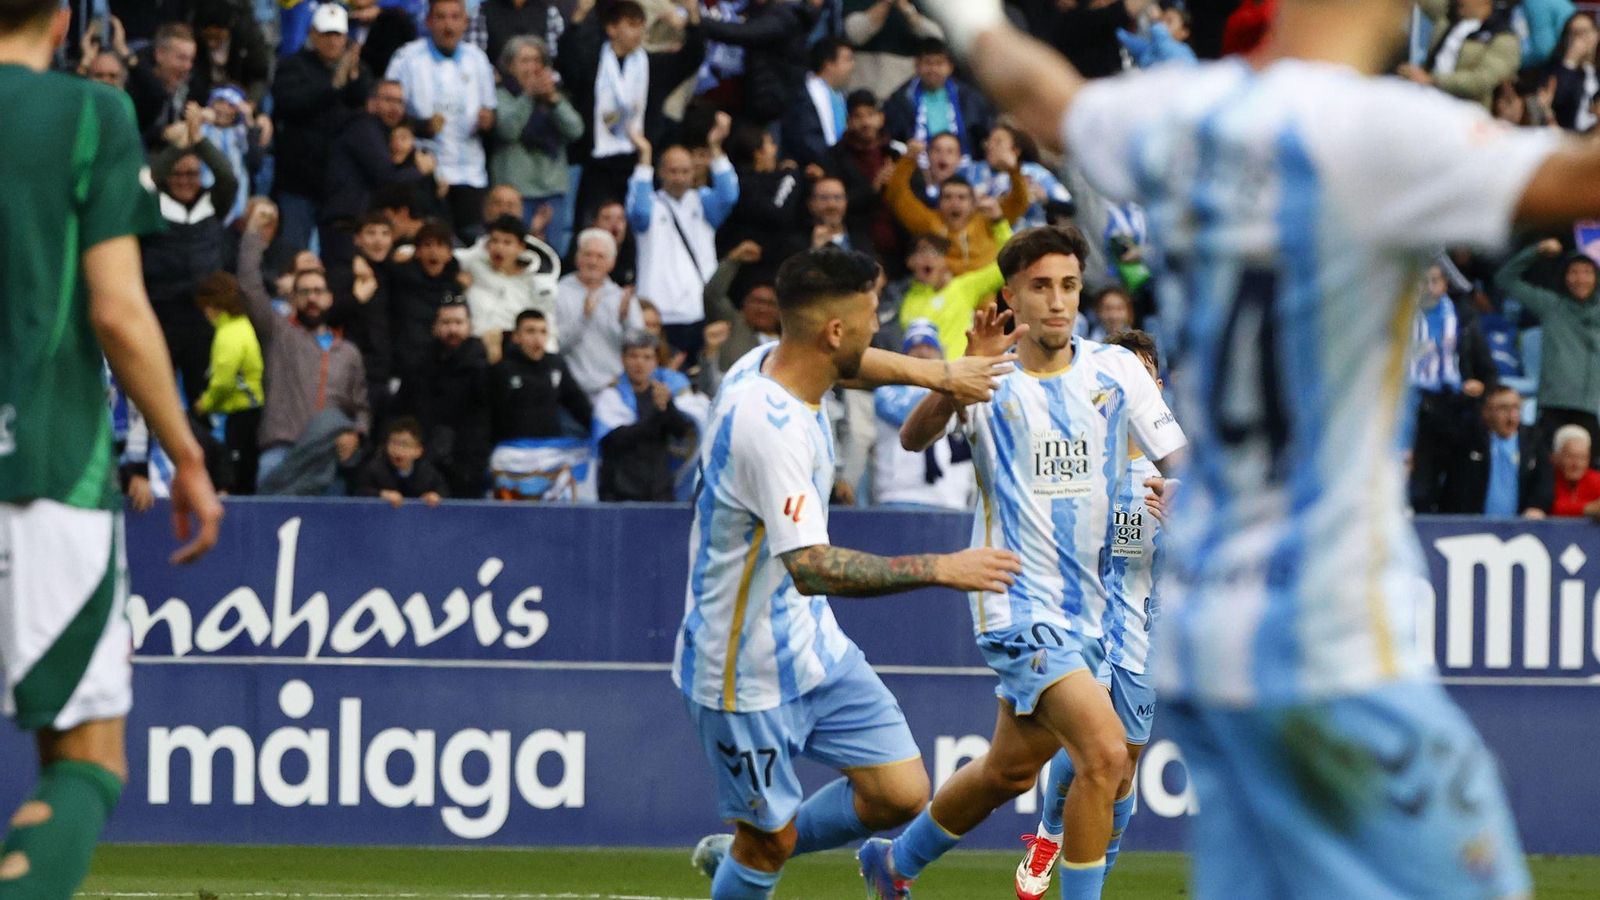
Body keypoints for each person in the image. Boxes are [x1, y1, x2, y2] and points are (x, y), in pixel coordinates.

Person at [900, 0, 1600, 894]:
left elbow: (1046, 97)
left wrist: (969, 17)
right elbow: (1581, 177)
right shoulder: (1382, 131)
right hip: (1332, 631)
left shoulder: (1179, 118)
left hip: (1207, 635)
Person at [678, 246, 1024, 900]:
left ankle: (753, 849)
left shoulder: (779, 361)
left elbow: (859, 362)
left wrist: (944, 375)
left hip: (810, 643)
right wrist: (941, 567)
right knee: (768, 842)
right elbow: (810, 567)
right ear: (834, 330)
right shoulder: (765, 426)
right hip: (740, 668)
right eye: (871, 311)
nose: (880, 324)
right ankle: (754, 852)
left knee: (900, 793)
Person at [869, 226, 1186, 899]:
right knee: (1104, 754)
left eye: (1069, 285)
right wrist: (957, 380)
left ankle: (895, 864)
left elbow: (1180, 464)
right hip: (1015, 603)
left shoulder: (1118, 370)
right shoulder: (991, 377)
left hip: (1090, 617)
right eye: (1041, 286)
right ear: (1010, 294)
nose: (1058, 301)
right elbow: (913, 434)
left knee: (1007, 773)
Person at [0, 4, 222, 896]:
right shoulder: (91, 114)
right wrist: (186, 456)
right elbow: (119, 311)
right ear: (64, 22)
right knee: (87, 758)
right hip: (44, 465)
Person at [1012, 327, 1175, 900]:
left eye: (1147, 376)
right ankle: (1050, 835)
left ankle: (1093, 878)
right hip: (1083, 631)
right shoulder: (1079, 456)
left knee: (1122, 770)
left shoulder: (1173, 476)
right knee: (1093, 753)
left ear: (1157, 388)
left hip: (1141, 638)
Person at [238, 205, 371, 494]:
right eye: (305, 292)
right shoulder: (279, 333)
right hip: (281, 453)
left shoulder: (348, 352)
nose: (312, 298)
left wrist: (357, 433)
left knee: (326, 540)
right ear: (293, 298)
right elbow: (249, 287)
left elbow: (360, 406)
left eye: (318, 292)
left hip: (327, 459)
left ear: (330, 298)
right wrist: (252, 235)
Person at [560, 0, 707, 231]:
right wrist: (578, 15)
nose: (637, 31)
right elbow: (567, 59)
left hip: (638, 161)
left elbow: (692, 57)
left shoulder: (652, 66)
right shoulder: (592, 63)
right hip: (598, 164)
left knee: (637, 234)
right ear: (612, 28)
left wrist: (693, 16)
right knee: (591, 229)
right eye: (630, 24)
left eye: (640, 25)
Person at [142, 108, 241, 408]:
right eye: (179, 174)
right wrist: (181, 146)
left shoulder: (213, 204)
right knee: (157, 397)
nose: (186, 180)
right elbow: (154, 175)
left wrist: (200, 142)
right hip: (161, 314)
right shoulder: (150, 205)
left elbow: (227, 176)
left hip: (203, 317)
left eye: (193, 173)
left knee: (203, 398)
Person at [626, 111, 738, 362]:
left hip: (698, 311)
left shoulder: (704, 202)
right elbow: (638, 210)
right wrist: (644, 158)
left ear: (693, 172)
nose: (679, 177)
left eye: (685, 171)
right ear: (661, 172)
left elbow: (729, 195)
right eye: (673, 171)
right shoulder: (650, 205)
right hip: (658, 314)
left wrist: (715, 146)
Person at [385, 0, 499, 243]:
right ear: (428, 22)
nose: (448, 25)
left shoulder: (477, 60)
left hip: (470, 172)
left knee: (471, 244)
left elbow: (490, 112)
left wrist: (488, 121)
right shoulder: (407, 58)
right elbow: (388, 112)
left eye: (455, 17)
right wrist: (422, 126)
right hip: (425, 172)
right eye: (441, 17)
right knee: (431, 243)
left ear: (465, 23)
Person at [272, 3, 373, 252]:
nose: (332, 41)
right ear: (313, 34)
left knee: (338, 256)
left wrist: (352, 78)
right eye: (326, 34)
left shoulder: (358, 70)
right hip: (299, 181)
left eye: (337, 35)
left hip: (340, 186)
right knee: (294, 254)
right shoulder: (293, 66)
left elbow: (362, 104)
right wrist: (332, 88)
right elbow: (290, 104)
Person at [1495, 237, 1600, 463]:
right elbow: (1504, 279)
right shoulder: (1551, 305)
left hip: (1592, 412)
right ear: (1564, 277)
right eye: (1574, 271)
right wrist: (1536, 251)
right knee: (1545, 476)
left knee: (1590, 482)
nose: (1580, 278)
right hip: (1553, 409)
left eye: (1587, 272)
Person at [491, 35, 583, 255]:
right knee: (516, 253)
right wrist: (528, 97)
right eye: (524, 61)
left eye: (536, 61)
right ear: (510, 65)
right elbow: (508, 129)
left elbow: (576, 130)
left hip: (552, 188)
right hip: (516, 191)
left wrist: (554, 100)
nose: (531, 67)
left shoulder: (555, 96)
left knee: (551, 254)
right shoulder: (500, 96)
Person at [884, 137, 1028, 276]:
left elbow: (1019, 202)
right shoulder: (929, 223)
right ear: (939, 203)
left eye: (962, 197)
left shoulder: (986, 220)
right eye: (947, 197)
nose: (955, 203)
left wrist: (1014, 170)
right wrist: (908, 160)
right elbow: (897, 198)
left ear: (973, 203)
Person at [869, 321, 974, 511]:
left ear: (941, 354)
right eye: (915, 347)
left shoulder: (959, 389)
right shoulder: (887, 390)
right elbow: (914, 415)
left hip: (951, 499)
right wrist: (951, 386)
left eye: (929, 346)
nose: (923, 353)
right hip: (899, 496)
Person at [395, 299, 492, 499]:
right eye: (446, 323)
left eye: (458, 323)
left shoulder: (483, 368)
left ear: (470, 326)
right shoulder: (419, 365)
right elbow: (402, 410)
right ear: (435, 327)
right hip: (423, 463)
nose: (452, 329)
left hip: (467, 466)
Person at [593, 330, 698, 501]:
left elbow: (681, 432)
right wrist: (658, 414)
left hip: (659, 493)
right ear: (623, 359)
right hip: (619, 495)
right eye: (633, 356)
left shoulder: (662, 393)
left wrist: (668, 406)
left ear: (656, 362)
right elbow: (617, 440)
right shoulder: (611, 396)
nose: (639, 363)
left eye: (647, 357)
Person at [192, 272, 265, 495]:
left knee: (236, 475)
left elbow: (223, 381)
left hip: (241, 411)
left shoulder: (229, 335)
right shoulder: (243, 326)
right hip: (249, 409)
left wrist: (206, 403)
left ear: (213, 305)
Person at [1429, 385, 1552, 516]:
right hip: (1469, 526)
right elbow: (1440, 423)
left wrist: (1537, 506)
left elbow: (1544, 479)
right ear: (1486, 412)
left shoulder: (1533, 438)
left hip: (1517, 528)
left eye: (1516, 407)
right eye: (1503, 408)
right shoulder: (1468, 436)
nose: (1511, 416)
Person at [555, 228, 644, 402]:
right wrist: (583, 319)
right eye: (588, 255)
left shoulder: (622, 298)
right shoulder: (558, 293)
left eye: (600, 256)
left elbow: (639, 349)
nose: (593, 262)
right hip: (570, 395)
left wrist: (625, 320)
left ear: (611, 263)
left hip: (613, 391)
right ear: (577, 257)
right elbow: (554, 346)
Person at [456, 214, 559, 361]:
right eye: (494, 241)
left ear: (520, 247)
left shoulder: (534, 283)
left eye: (507, 243)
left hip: (512, 356)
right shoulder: (473, 265)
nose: (499, 248)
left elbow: (547, 327)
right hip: (470, 350)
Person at [1402, 0, 1522, 110]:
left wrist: (1433, 80)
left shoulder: (1504, 38)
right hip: (1428, 102)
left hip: (1468, 114)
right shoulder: (1449, 19)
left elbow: (1480, 82)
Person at [881, 39, 992, 157]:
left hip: (964, 165)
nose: (933, 69)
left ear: (950, 67)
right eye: (928, 63)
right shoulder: (901, 99)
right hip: (916, 168)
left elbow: (985, 134)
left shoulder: (970, 98)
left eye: (939, 63)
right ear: (917, 65)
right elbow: (891, 139)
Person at [784, 36, 855, 172]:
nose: (853, 66)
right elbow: (806, 138)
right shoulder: (804, 95)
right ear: (828, 63)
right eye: (847, 60)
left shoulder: (839, 96)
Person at [125, 21, 196, 146]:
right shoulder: (136, 85)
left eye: (191, 60)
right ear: (160, 54)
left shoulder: (188, 86)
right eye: (181, 58)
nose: (187, 66)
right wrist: (163, 134)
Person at [354, 416, 449, 506]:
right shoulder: (374, 469)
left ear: (418, 451)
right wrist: (381, 494)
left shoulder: (427, 473)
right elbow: (361, 491)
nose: (398, 450)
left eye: (405, 445)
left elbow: (442, 489)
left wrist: (435, 496)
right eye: (393, 443)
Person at [1549, 424, 1600, 517]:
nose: (1577, 464)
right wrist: (1588, 509)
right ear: (1556, 457)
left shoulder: (1596, 480)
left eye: (1583, 458)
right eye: (1571, 457)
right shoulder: (1547, 479)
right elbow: (1552, 506)